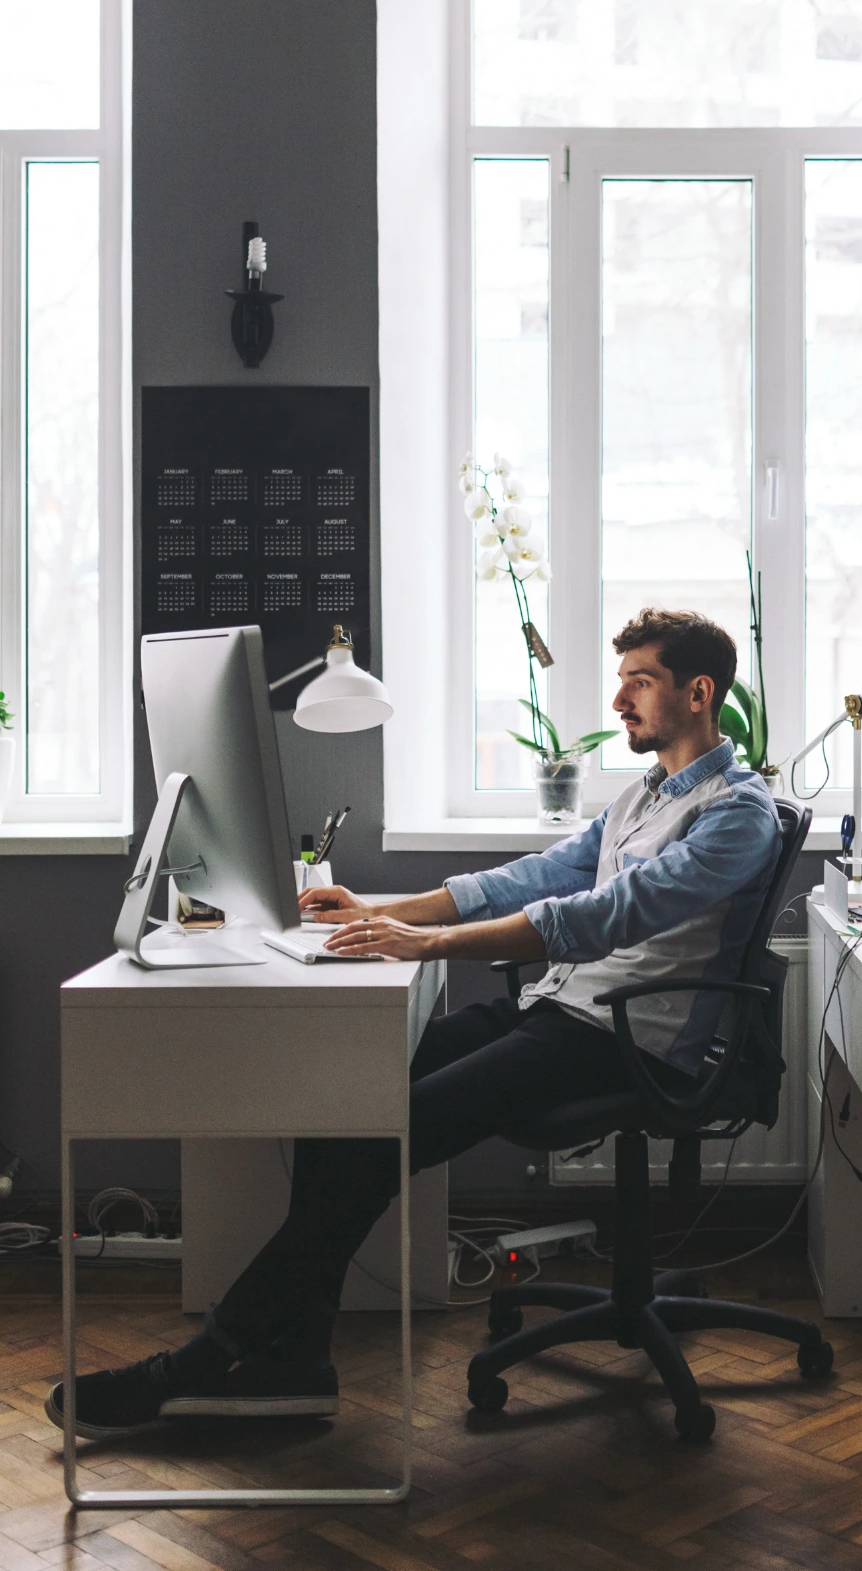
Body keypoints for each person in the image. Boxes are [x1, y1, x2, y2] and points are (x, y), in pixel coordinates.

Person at [48, 607, 781, 1439]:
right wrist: (385, 908)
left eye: (638, 682)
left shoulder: (734, 813)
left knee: (378, 1139)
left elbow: (605, 915)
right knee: (350, 1103)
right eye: (621, 681)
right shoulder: (644, 794)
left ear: (698, 692)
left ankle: (203, 1364)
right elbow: (538, 874)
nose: (619, 700)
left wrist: (428, 941)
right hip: (564, 1013)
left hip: (628, 1040)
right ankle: (293, 1361)